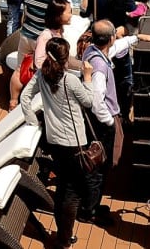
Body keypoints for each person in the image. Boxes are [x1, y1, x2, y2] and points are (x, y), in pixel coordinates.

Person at [79, 19, 150, 225]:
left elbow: (115, 48)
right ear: (110, 37)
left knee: (101, 165)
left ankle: (93, 205)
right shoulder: (99, 67)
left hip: (102, 118)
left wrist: (136, 38)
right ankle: (89, 211)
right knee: (99, 166)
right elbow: (97, 100)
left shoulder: (93, 51)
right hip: (103, 121)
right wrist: (109, 122)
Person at [21, 37, 97, 249]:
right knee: (71, 194)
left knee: (64, 187)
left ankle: (63, 235)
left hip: (54, 140)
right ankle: (64, 239)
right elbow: (89, 101)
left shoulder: (42, 75)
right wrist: (88, 77)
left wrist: (33, 121)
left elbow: (25, 98)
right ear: (66, 57)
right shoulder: (70, 80)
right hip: (74, 142)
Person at [10, 0, 63, 108]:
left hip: (27, 34)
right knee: (45, 73)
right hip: (44, 39)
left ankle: (13, 101)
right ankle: (37, 106)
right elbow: (62, 12)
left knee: (20, 69)